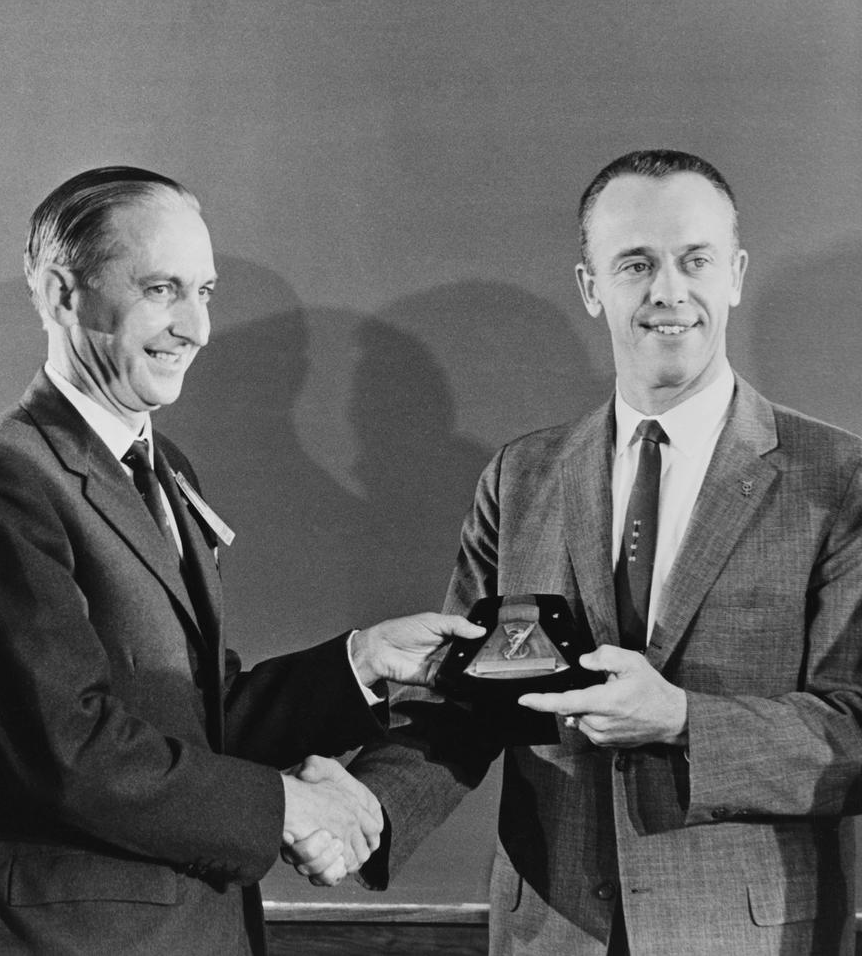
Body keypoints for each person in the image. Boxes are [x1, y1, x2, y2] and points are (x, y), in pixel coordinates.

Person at [0, 165, 482, 955]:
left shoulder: (167, 468)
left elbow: (203, 713)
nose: (196, 326)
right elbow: (70, 749)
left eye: (205, 291)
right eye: (162, 289)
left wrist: (360, 662)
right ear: (59, 293)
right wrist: (286, 805)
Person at [331, 150, 862, 955]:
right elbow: (455, 700)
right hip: (548, 929)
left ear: (736, 274)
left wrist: (682, 718)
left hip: (746, 936)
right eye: (636, 264)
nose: (668, 292)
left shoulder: (841, 479)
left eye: (694, 261)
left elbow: (854, 730)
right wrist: (365, 812)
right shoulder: (521, 476)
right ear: (591, 286)